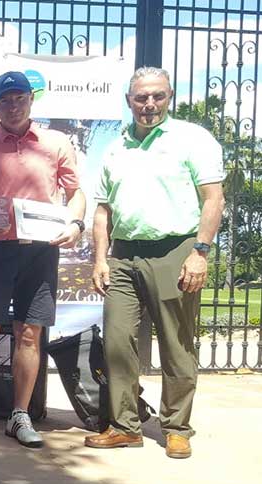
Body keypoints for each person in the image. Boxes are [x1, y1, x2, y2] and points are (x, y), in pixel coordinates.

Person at [85, 67, 224, 459]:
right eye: (141, 97)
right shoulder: (116, 147)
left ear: (170, 96)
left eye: (158, 96)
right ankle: (124, 426)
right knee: (117, 342)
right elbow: (103, 211)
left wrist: (200, 252)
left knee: (176, 345)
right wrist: (100, 259)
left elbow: (213, 198)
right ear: (129, 100)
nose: (149, 104)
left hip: (175, 250)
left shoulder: (193, 139)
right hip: (123, 254)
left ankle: (177, 428)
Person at [0, 71, 86, 448]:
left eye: (20, 98)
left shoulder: (56, 143)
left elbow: (76, 193)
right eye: (5, 100)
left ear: (31, 100)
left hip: (41, 251)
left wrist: (76, 224)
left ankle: (20, 414)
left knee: (30, 333)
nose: (13, 106)